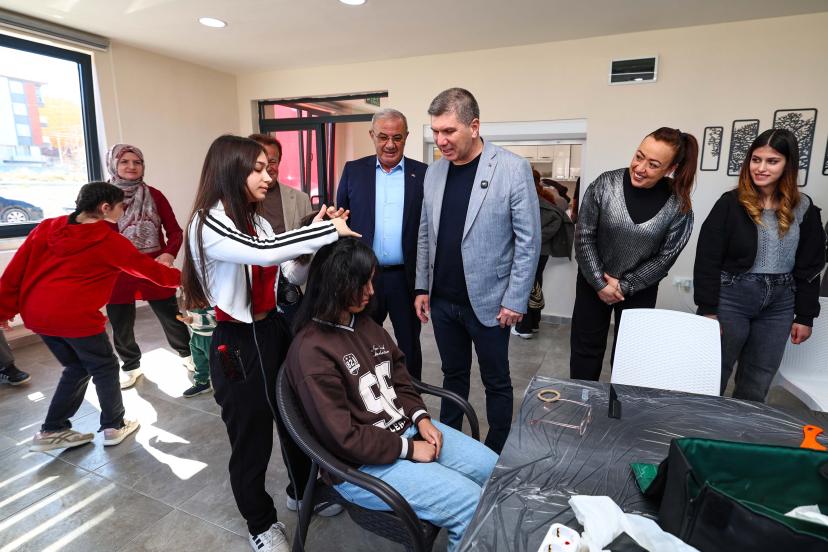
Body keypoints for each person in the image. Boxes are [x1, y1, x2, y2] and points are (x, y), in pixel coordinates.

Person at [181, 135, 358, 552]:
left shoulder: (258, 222)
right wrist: (322, 231)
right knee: (251, 436)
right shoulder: (208, 222)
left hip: (273, 329)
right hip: (236, 342)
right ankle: (260, 524)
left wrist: (314, 241)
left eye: (269, 167)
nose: (268, 176)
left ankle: (303, 490)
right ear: (232, 170)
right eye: (258, 168)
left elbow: (286, 274)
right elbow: (262, 254)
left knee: (295, 417)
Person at [285, 238, 497, 552]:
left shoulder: (364, 324)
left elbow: (399, 376)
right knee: (470, 506)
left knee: (495, 471)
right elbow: (343, 438)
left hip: (405, 431)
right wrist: (409, 449)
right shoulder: (311, 352)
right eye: (363, 283)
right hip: (361, 467)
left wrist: (421, 419)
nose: (372, 291)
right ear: (336, 285)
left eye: (372, 281)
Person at [0, 182, 180, 452]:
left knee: (77, 366)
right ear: (106, 208)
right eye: (121, 206)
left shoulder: (47, 227)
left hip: (37, 315)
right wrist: (184, 279)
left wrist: (3, 311)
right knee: (104, 366)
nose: (123, 211)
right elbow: (148, 270)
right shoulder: (109, 241)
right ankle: (114, 425)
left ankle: (52, 429)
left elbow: (14, 272)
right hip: (74, 317)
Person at [414, 88, 540, 453]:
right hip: (443, 301)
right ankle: (449, 443)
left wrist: (516, 299)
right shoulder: (434, 172)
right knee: (452, 376)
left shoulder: (512, 168)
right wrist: (422, 287)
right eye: (435, 131)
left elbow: (529, 241)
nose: (440, 140)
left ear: (474, 126)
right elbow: (425, 234)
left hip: (491, 302)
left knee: (496, 380)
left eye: (448, 131)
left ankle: (496, 450)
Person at [694, 129, 825, 401]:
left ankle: (743, 427)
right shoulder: (730, 203)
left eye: (772, 161)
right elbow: (707, 257)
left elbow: (810, 267)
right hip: (732, 298)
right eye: (756, 159)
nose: (761, 168)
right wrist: (707, 310)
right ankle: (701, 425)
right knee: (712, 371)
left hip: (780, 303)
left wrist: (805, 316)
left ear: (788, 164)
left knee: (758, 377)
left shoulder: (804, 208)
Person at [570, 127, 697, 381]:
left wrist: (624, 286)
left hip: (640, 289)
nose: (640, 168)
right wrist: (600, 283)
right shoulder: (605, 184)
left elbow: (665, 258)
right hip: (592, 284)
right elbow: (584, 236)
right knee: (585, 352)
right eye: (639, 156)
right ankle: (583, 400)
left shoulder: (679, 205)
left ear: (671, 169)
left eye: (653, 165)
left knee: (630, 357)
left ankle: (620, 405)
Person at [336, 108, 428, 380]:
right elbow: (340, 224)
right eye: (383, 137)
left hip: (405, 279)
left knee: (409, 345)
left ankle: (411, 395)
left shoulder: (423, 174)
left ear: (406, 137)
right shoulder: (353, 171)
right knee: (360, 342)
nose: (390, 144)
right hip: (364, 277)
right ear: (372, 135)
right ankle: (367, 395)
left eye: (397, 137)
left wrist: (424, 284)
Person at [103, 144, 192, 389]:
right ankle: (131, 366)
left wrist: (168, 254)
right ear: (113, 164)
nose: (131, 166)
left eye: (137, 162)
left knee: (171, 317)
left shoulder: (155, 195)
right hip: (117, 273)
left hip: (154, 268)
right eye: (124, 162)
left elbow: (175, 231)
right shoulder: (103, 198)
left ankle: (188, 355)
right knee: (121, 324)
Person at [249, 134, 315, 322]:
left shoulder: (300, 198)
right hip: (256, 288)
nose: (268, 168)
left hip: (293, 286)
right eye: (260, 163)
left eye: (273, 161)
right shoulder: (241, 202)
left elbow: (309, 244)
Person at [512, 170, 574, 339]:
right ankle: (534, 323)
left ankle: (524, 327)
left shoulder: (529, 200)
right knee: (535, 284)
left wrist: (532, 238)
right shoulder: (545, 198)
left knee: (526, 285)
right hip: (542, 252)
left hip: (528, 250)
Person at [176, 306, 216, 397]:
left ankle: (228, 385)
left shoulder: (210, 302)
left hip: (211, 336)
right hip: (196, 334)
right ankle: (202, 383)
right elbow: (194, 317)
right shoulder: (190, 300)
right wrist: (189, 320)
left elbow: (217, 319)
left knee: (218, 364)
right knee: (199, 362)